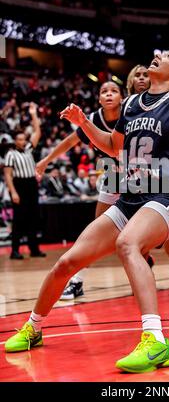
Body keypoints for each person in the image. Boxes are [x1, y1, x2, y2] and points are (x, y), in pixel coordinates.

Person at [4, 51, 169, 375]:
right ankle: (33, 327)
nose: (156, 56)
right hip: (129, 197)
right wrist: (84, 124)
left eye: (165, 56)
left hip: (167, 195)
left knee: (128, 244)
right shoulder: (131, 105)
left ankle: (155, 340)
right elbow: (114, 146)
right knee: (68, 261)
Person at [36, 81, 123, 299]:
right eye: (104, 91)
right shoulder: (92, 119)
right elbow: (70, 141)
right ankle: (77, 281)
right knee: (95, 233)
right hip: (113, 176)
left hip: (141, 175)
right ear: (99, 99)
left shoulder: (131, 111)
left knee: (162, 234)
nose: (109, 94)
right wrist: (47, 160)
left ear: (122, 97)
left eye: (114, 91)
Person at [4, 102, 46, 260]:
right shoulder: (10, 154)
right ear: (15, 141)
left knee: (33, 218)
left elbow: (37, 132)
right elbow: (8, 175)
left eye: (23, 139)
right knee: (19, 220)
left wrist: (34, 114)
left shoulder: (28, 148)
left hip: (31, 184)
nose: (22, 141)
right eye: (20, 139)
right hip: (19, 186)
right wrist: (13, 192)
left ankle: (34, 248)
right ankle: (15, 251)